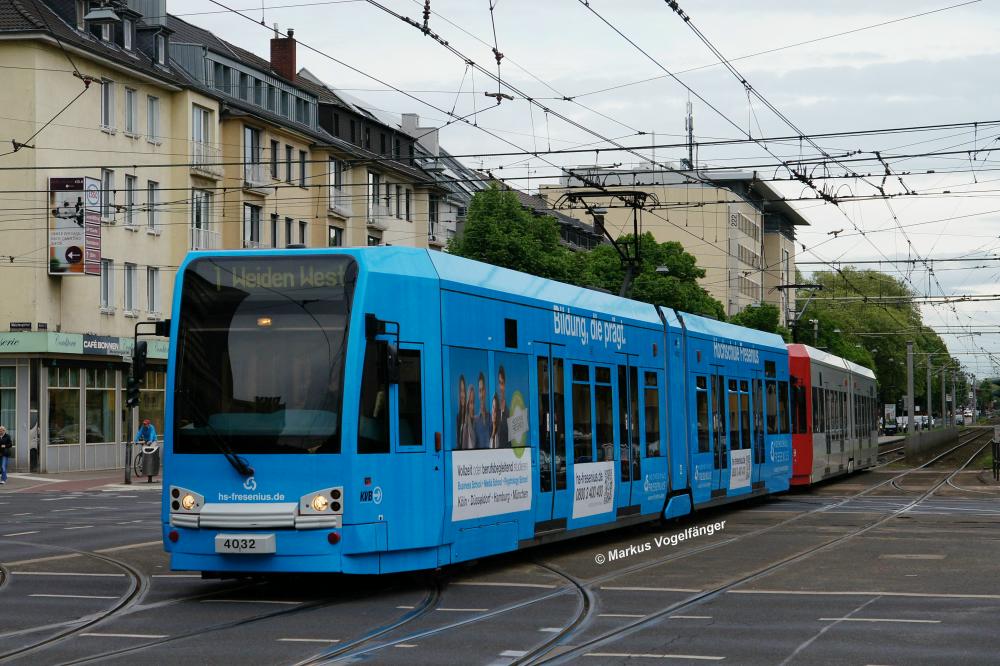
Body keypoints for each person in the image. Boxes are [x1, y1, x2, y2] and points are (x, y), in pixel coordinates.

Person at [474, 373, 491, 449]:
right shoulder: (475, 421)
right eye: (480, 390)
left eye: (483, 389)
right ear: (478, 394)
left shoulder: (491, 418)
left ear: (486, 391)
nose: (481, 394)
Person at [495, 366, 509, 447]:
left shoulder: (510, 413)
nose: (501, 387)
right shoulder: (493, 413)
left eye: (502, 383)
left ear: (505, 385)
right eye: (499, 383)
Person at [456, 375, 466, 449]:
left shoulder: (470, 416)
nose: (462, 395)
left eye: (463, 391)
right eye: (460, 391)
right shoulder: (458, 417)